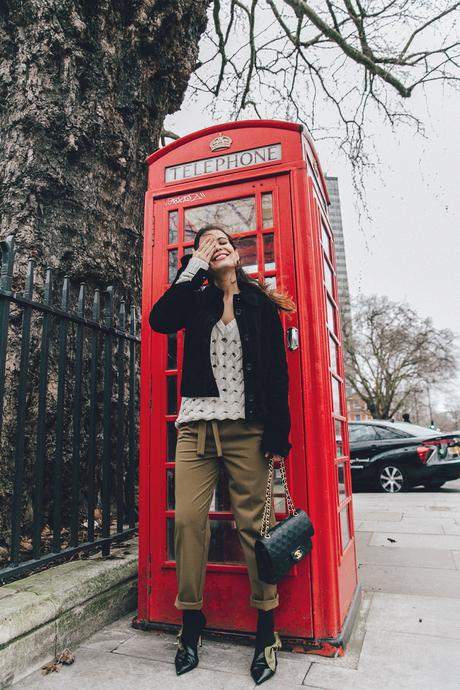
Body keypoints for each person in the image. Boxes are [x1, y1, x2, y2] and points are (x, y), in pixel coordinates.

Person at [149, 223, 295, 685]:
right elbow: (159, 320)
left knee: (254, 528)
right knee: (189, 521)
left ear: (238, 253)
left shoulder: (260, 304)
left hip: (247, 430)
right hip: (195, 429)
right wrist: (193, 265)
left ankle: (265, 629)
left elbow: (276, 374)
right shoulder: (194, 299)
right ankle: (191, 623)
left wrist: (277, 438)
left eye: (224, 242)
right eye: (207, 245)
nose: (217, 248)